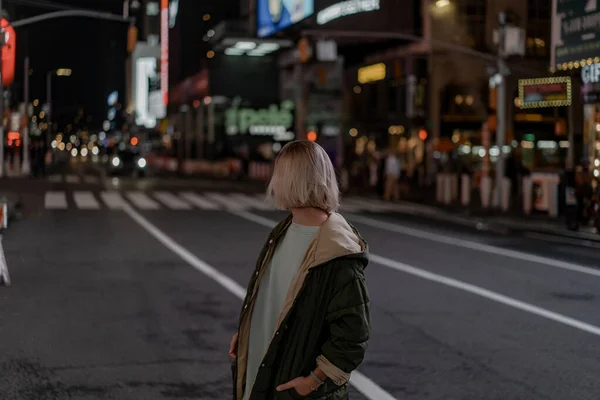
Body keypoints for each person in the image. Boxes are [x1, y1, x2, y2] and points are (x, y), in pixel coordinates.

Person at [229, 140, 371, 400]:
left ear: (292, 180)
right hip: (261, 362)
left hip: (297, 386)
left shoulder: (337, 249)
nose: (274, 181)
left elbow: (353, 333)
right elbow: (273, 295)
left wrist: (314, 380)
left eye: (279, 173)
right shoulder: (282, 231)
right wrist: (249, 332)